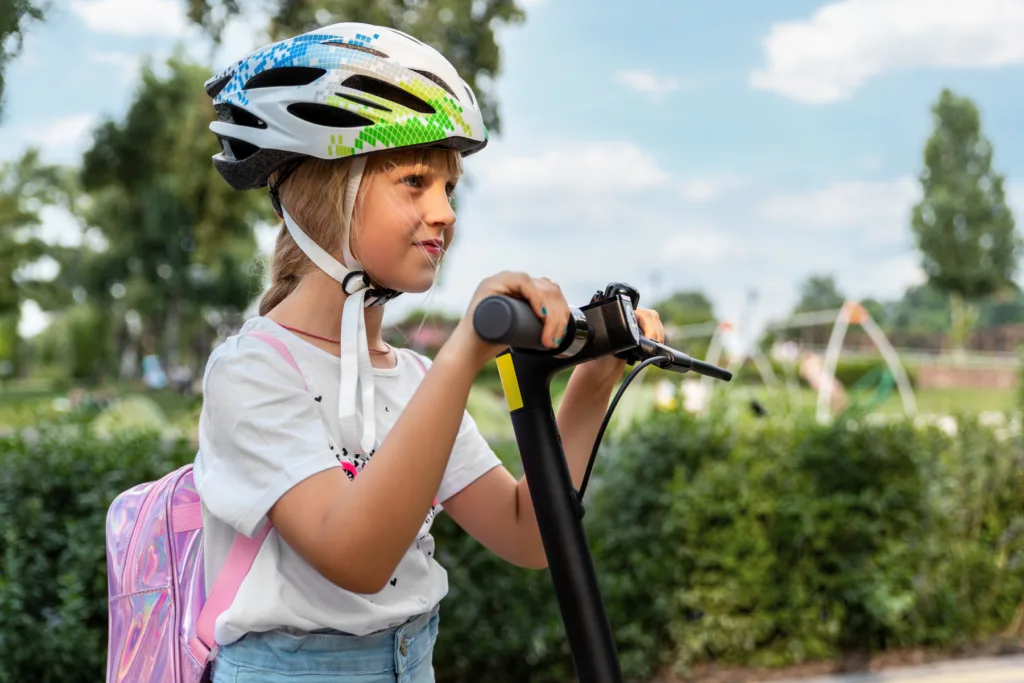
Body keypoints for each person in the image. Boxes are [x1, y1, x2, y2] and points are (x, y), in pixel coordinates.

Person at [193, 21, 665, 683]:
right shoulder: (254, 371)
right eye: (414, 181)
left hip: (413, 661)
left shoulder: (411, 377)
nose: (444, 212)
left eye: (448, 188)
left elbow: (527, 531)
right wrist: (464, 352)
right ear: (328, 194)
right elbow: (353, 553)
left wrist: (591, 382)